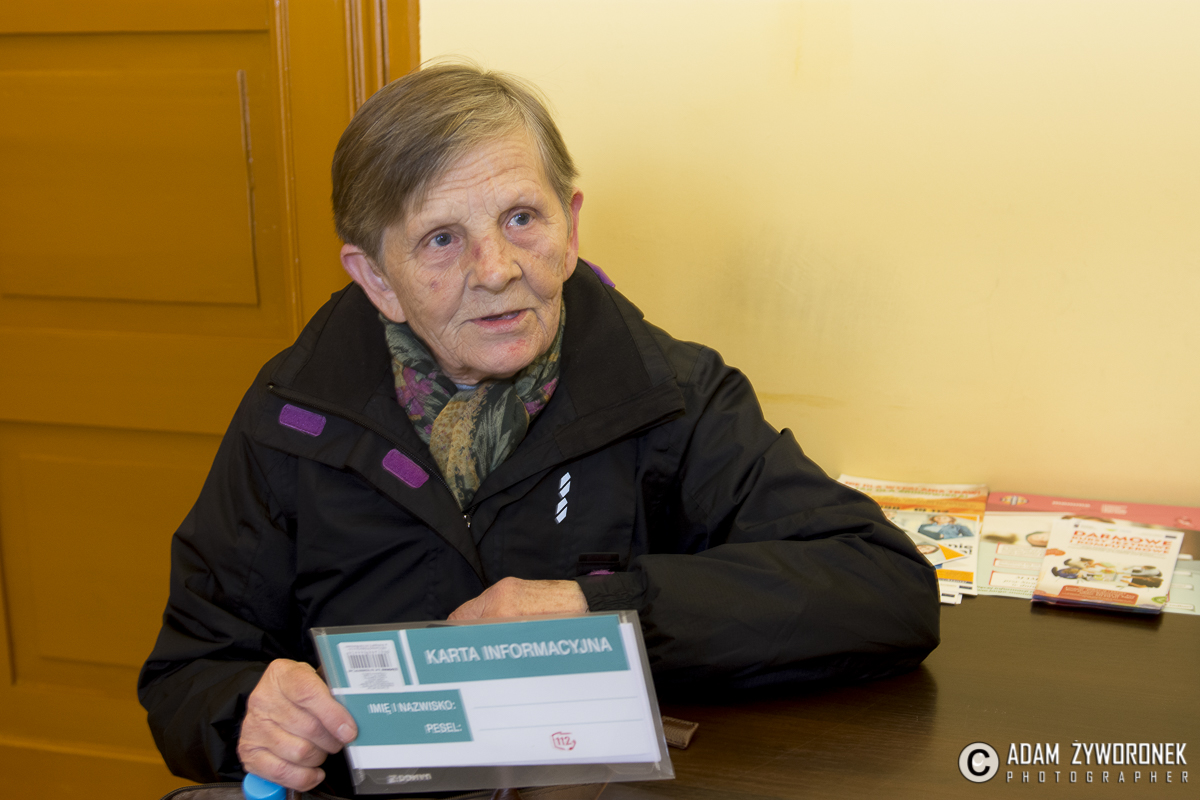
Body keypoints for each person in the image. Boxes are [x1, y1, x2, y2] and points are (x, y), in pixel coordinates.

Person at [138, 63, 940, 796]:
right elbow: (186, 678)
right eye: (442, 239)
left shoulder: (668, 395)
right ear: (376, 277)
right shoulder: (292, 417)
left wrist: (602, 609)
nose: (497, 269)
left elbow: (883, 589)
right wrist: (249, 712)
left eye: (522, 217)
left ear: (571, 228)